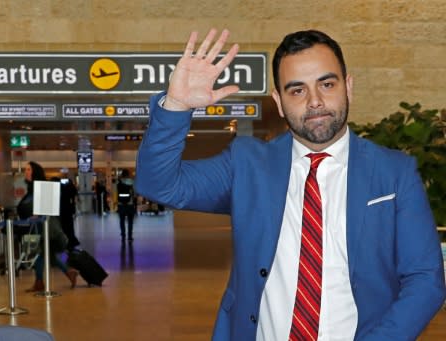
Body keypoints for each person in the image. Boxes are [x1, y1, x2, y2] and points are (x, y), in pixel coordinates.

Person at [135, 29, 446, 340]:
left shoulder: (394, 172)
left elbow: (425, 279)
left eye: (327, 84)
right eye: (297, 90)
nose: (315, 102)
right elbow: (159, 184)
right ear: (279, 102)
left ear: (348, 87)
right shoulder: (247, 164)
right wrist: (175, 105)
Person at [16, 161, 78, 292]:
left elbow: (49, 207)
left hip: (45, 228)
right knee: (47, 254)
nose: (25, 172)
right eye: (25, 169)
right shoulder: (31, 189)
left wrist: (37, 214)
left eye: (28, 169)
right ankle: (66, 272)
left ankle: (40, 282)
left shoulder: (42, 187)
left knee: (42, 252)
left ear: (34, 171)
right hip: (37, 227)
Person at [117, 169, 135, 242]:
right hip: (130, 204)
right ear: (128, 174)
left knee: (122, 220)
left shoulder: (119, 182)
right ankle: (130, 236)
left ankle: (123, 235)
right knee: (130, 221)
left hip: (121, 204)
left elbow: (117, 192)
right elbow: (134, 193)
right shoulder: (131, 182)